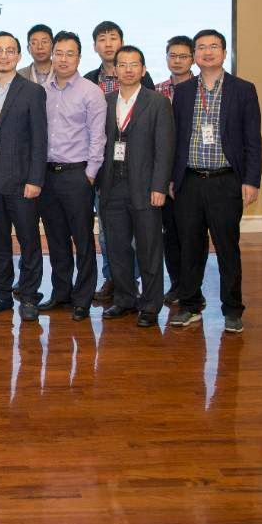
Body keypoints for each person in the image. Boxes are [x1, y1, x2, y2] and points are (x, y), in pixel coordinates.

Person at [168, 29, 262, 333]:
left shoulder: (243, 89)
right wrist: (172, 178)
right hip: (190, 181)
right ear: (195, 54)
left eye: (213, 46)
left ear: (223, 52)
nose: (207, 52)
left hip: (226, 181)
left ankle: (232, 310)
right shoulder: (183, 92)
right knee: (190, 247)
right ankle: (190, 305)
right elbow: (176, 139)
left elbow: (252, 139)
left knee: (227, 248)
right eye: (201, 47)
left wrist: (251, 180)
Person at [96, 46, 174, 327]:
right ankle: (125, 299)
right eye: (123, 65)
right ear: (115, 70)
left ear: (143, 69)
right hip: (111, 186)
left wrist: (159, 186)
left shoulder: (158, 102)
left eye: (134, 64)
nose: (128, 70)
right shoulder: (104, 102)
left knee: (149, 248)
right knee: (117, 248)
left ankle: (151, 305)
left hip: (146, 187)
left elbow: (165, 148)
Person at [0, 31, 47, 320]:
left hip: (22, 180)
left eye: (9, 50)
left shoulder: (32, 91)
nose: (3, 56)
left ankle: (29, 297)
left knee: (29, 241)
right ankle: (2, 294)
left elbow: (40, 139)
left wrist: (36, 179)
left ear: (18, 56)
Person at [38, 31, 106, 320]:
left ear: (79, 57)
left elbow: (98, 137)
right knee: (56, 239)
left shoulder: (91, 92)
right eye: (59, 53)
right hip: (47, 175)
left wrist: (90, 174)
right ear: (52, 56)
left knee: (83, 239)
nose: (63, 59)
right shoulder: (42, 91)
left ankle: (83, 298)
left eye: (70, 54)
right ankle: (61, 292)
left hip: (77, 175)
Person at [155, 35, 194, 305]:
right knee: (169, 233)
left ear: (192, 59)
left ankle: (192, 287)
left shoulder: (202, 89)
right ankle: (177, 284)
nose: (177, 61)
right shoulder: (157, 91)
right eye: (173, 56)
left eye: (183, 56)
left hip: (191, 173)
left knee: (191, 233)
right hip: (164, 173)